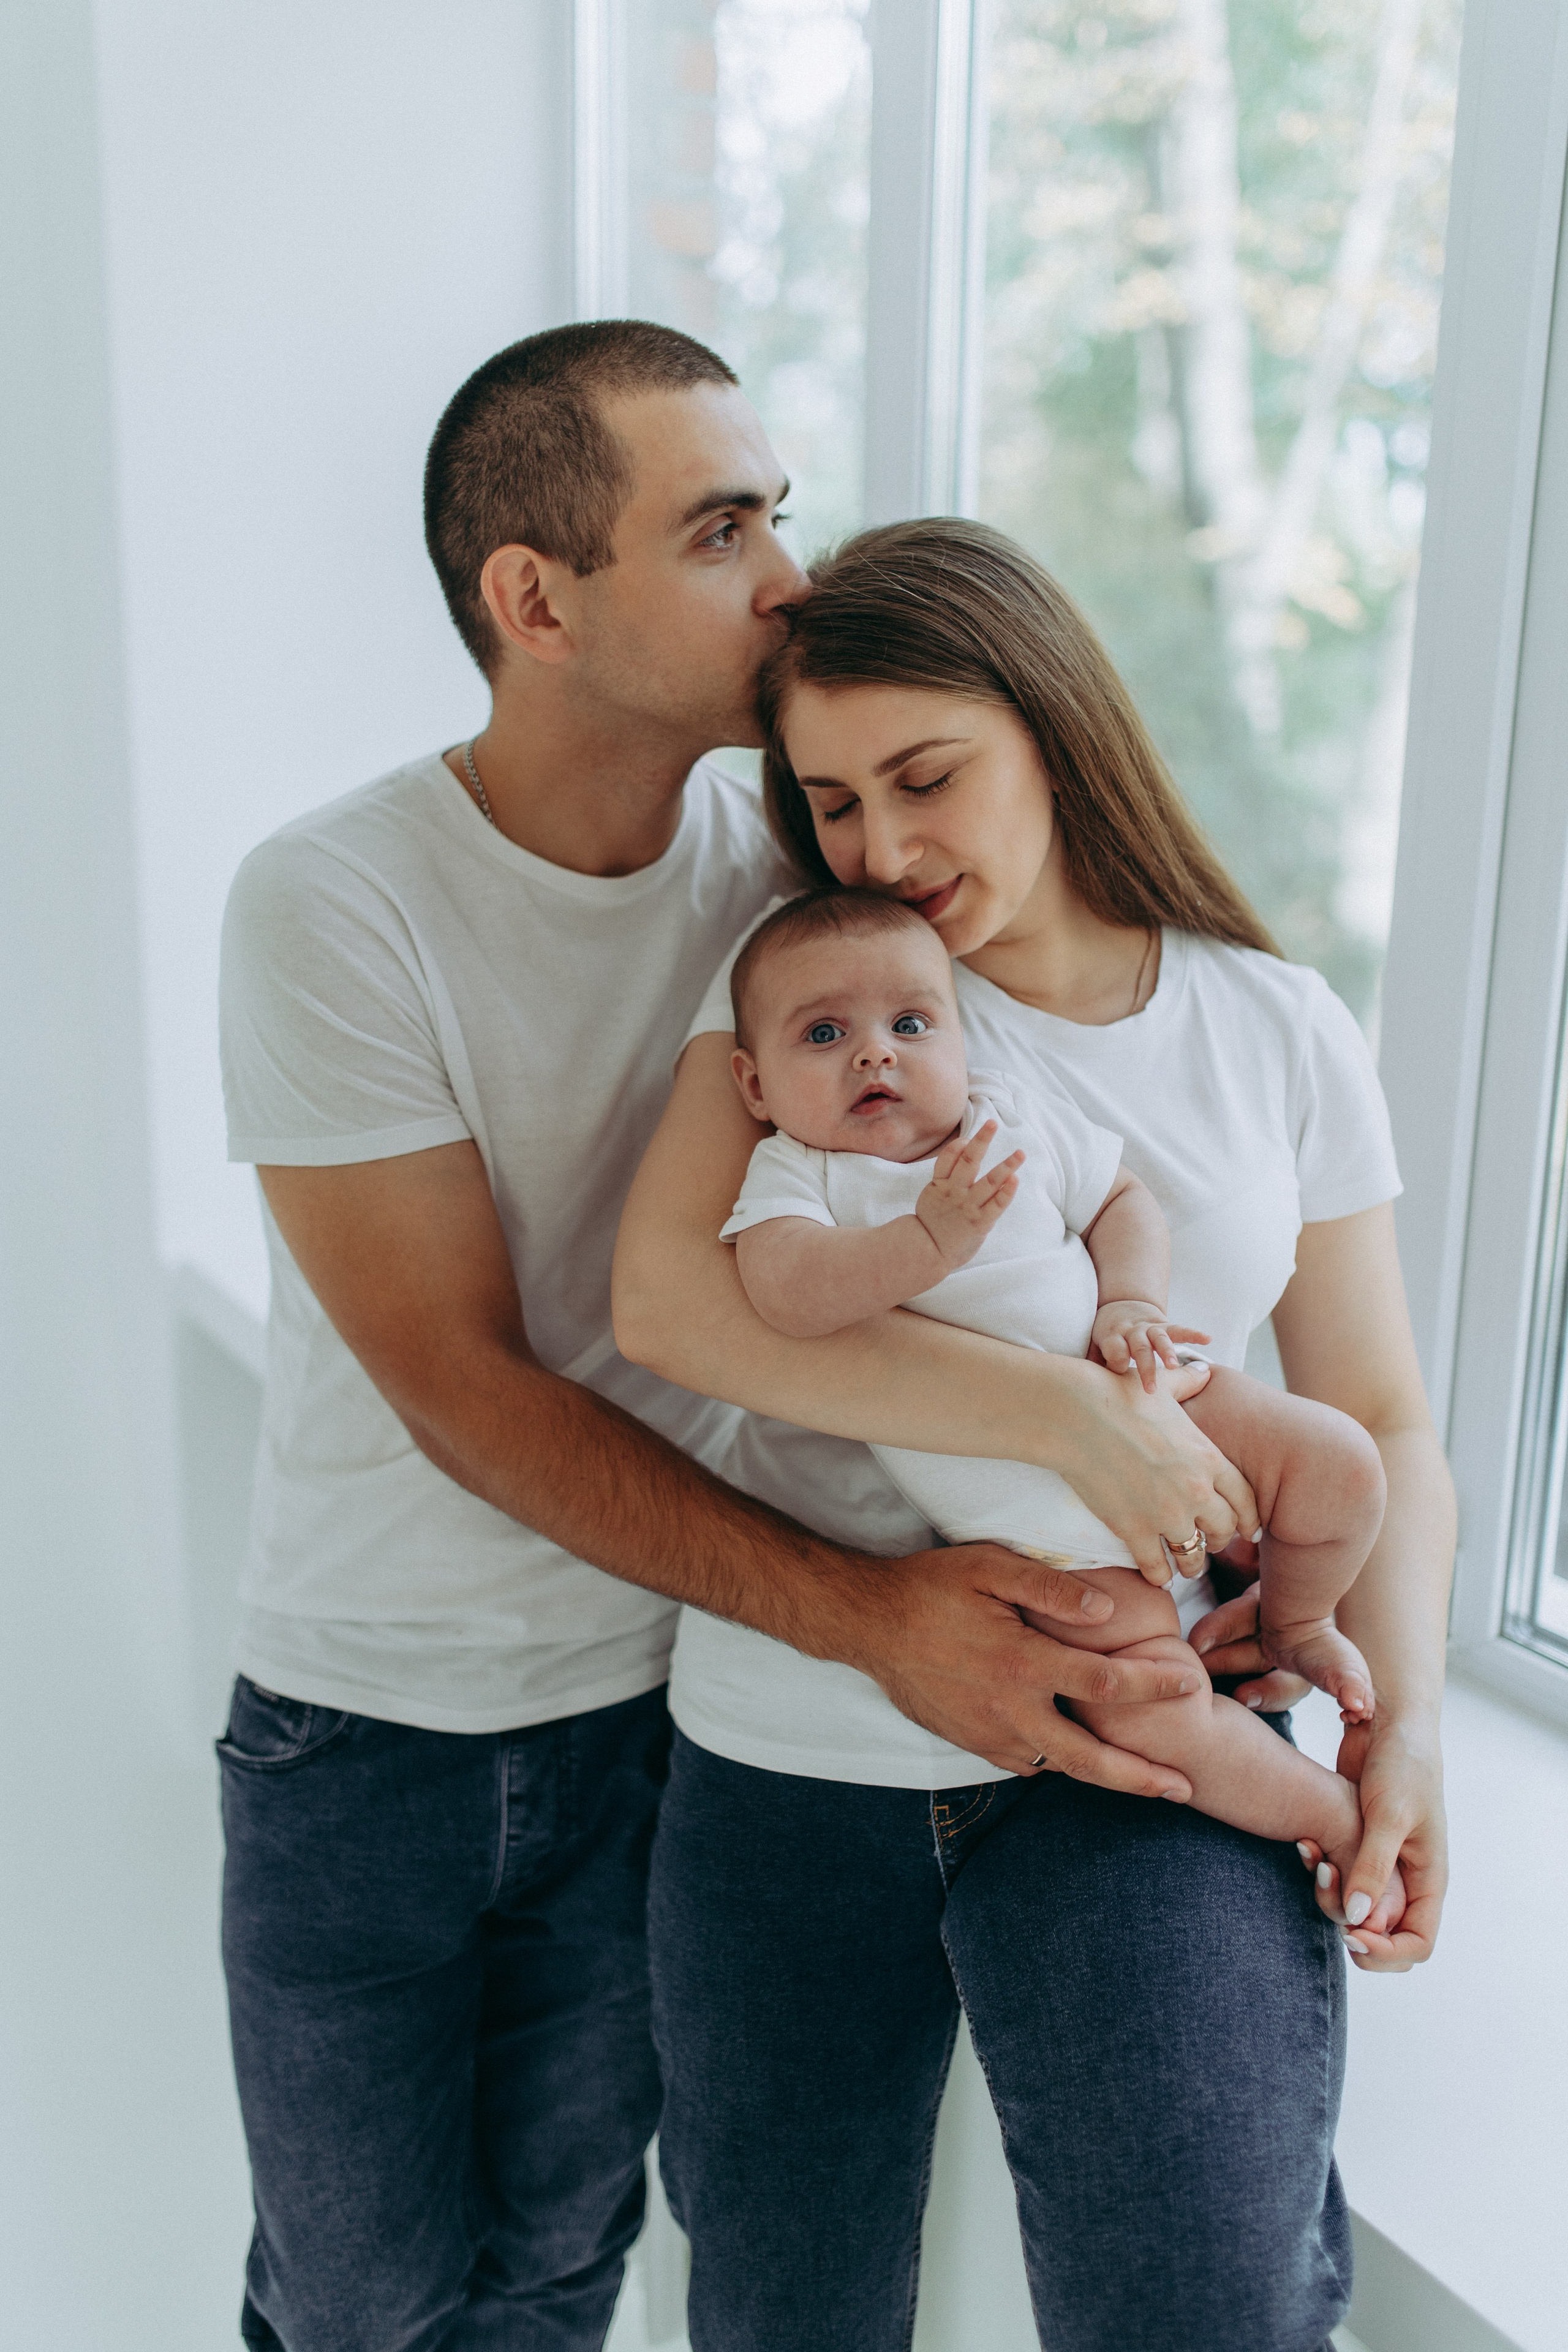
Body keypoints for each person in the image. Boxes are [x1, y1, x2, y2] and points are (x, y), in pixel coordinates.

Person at [215, 327, 1252, 2352]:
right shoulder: (333, 902)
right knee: (356, 2314)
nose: (788, 571)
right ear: (537, 603)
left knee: (557, 2288)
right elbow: (467, 1384)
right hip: (371, 1729)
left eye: (779, 508)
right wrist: (874, 1612)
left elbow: (1026, 1156)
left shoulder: (797, 901)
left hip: (660, 1714)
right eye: (720, 527)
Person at [612, 518, 1454, 2352]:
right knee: (779, 2314)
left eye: (928, 779)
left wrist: (1410, 1733)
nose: (887, 852)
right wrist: (1076, 1416)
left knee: (1205, 2307)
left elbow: (1380, 1405)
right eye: (833, 802)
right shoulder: (829, 998)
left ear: (1059, 731)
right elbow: (681, 1305)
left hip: (1151, 1735)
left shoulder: (1274, 1025)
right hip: (795, 1756)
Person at [720, 883, 1402, 1907]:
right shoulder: (801, 1175)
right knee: (1150, 1702)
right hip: (1035, 1536)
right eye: (825, 1033)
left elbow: (1123, 1199)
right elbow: (783, 1292)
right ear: (756, 1083)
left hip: (1155, 1400)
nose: (876, 1053)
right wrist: (926, 1244)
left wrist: (1131, 1299)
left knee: (1342, 1464)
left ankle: (1297, 1625)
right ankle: (1326, 1815)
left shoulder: (1007, 1113)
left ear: (959, 1035)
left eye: (911, 1023)